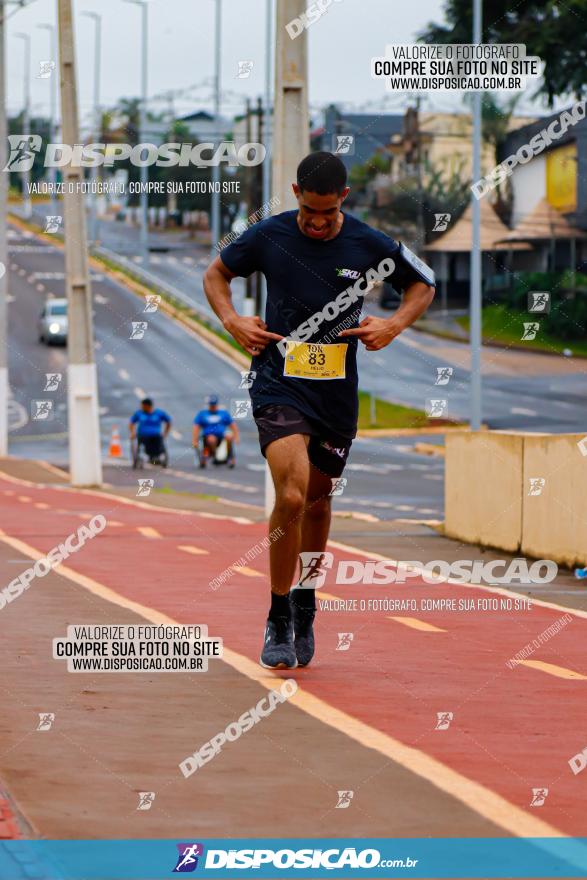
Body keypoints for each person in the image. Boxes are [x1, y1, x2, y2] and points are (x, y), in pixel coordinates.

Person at [203, 151, 435, 670]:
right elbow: (216, 274)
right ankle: (278, 614)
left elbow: (424, 283)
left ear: (343, 201)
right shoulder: (270, 235)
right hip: (278, 380)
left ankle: (306, 604)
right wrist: (231, 320)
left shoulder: (369, 244)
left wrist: (392, 326)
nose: (316, 221)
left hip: (335, 391)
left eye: (327, 214)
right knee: (291, 491)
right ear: (296, 195)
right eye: (309, 210)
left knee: (319, 500)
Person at [192, 395, 239, 468]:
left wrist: (236, 437)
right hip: (207, 438)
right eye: (211, 405)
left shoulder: (223, 413)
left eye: (213, 405)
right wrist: (194, 440)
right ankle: (214, 455)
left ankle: (230, 458)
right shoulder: (202, 414)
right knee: (211, 439)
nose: (212, 407)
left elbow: (233, 425)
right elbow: (196, 427)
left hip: (221, 436)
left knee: (229, 436)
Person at [129, 398, 171, 464]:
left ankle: (156, 456)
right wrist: (133, 432)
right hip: (143, 435)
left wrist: (165, 433)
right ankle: (150, 456)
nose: (141, 407)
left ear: (148, 406)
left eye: (143, 406)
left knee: (158, 441)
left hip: (156, 435)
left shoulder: (158, 413)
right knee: (145, 442)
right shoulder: (139, 413)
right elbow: (131, 423)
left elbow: (168, 421)